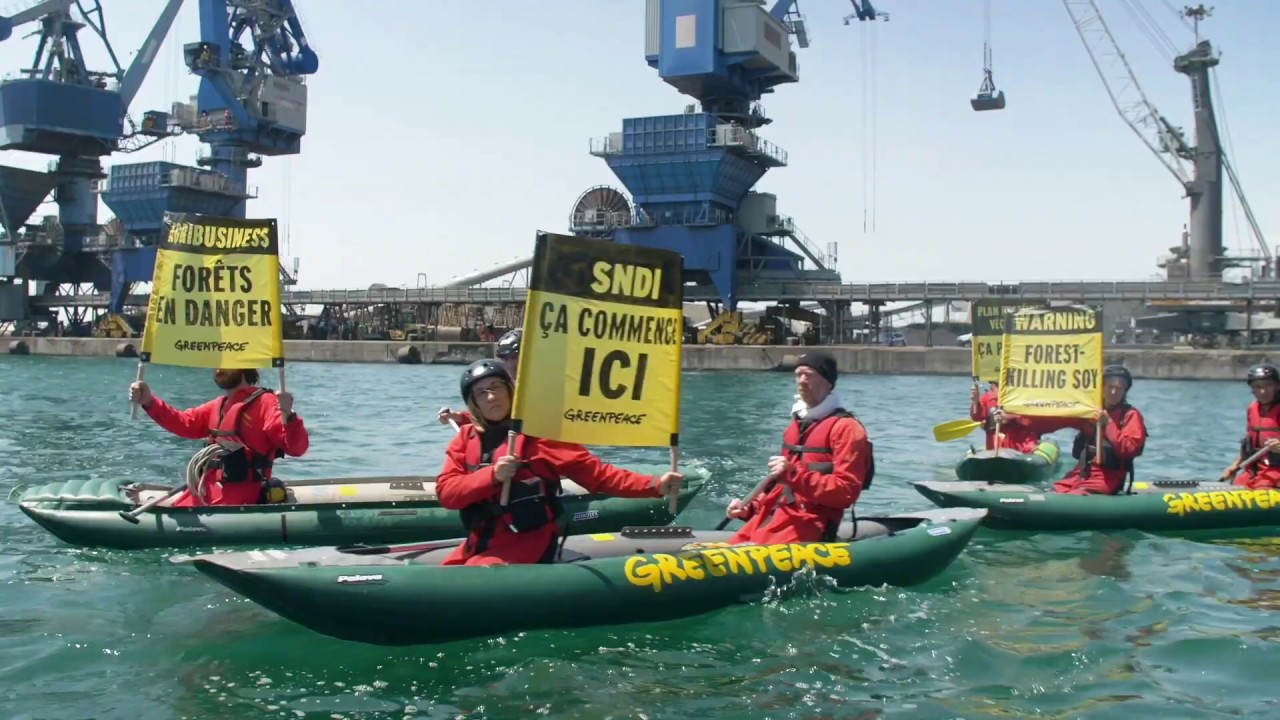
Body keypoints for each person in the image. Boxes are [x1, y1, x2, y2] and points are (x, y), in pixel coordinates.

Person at [435, 359, 683, 566]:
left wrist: (655, 484)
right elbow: (447, 494)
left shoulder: (541, 437)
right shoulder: (464, 440)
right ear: (473, 403)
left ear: (511, 391)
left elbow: (598, 475)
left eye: (496, 387)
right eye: (481, 392)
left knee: (474, 578)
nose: (491, 397)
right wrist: (493, 476)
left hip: (527, 542)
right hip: (480, 541)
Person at [723, 351, 874, 545]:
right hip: (773, 519)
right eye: (798, 374)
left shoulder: (847, 429)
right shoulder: (796, 426)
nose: (801, 380)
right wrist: (751, 508)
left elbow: (846, 493)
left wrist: (793, 474)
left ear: (828, 382)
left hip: (809, 525)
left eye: (809, 375)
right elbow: (780, 487)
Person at [129, 368, 310, 507]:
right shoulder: (219, 404)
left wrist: (289, 416)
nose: (219, 369)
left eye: (227, 363)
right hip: (206, 490)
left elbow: (296, 448)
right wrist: (149, 401)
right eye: (218, 363)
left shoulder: (266, 403)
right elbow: (184, 423)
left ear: (244, 366)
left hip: (240, 499)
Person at [994, 365, 1146, 496]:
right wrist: (1013, 418)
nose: (1113, 392)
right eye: (1110, 387)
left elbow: (1129, 449)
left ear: (1125, 391)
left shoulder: (1131, 415)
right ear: (1102, 388)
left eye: (1118, 388)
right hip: (1081, 474)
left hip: (1107, 478)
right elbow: (1052, 420)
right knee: (1051, 491)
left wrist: (1108, 424)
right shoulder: (1089, 411)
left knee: (1075, 495)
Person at [438, 328, 522, 428]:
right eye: (505, 359)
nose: (510, 364)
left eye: (514, 357)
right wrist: (458, 417)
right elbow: (493, 416)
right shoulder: (506, 388)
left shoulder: (539, 388)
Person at [1223, 364, 1280, 489]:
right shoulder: (1252, 409)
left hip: (1276, 475)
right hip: (1253, 472)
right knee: (1237, 485)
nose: (1263, 391)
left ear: (1277, 386)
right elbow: (1250, 445)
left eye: (1268, 385)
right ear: (1252, 389)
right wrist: (1235, 466)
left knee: (1263, 487)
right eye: (1258, 387)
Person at [969, 380, 1044, 453]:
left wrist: (1009, 417)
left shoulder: (1022, 397)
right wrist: (975, 402)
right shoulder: (986, 398)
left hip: (1021, 447)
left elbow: (1032, 422)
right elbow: (977, 418)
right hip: (995, 447)